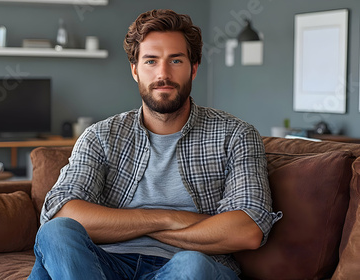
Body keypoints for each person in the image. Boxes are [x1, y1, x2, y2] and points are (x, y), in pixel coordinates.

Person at [29, 9, 280, 280]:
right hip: (105, 265)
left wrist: (128, 224)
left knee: (192, 265)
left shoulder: (236, 135)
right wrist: (166, 218)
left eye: (175, 60)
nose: (163, 73)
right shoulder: (101, 136)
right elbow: (62, 212)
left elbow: (248, 229)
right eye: (151, 61)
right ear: (135, 70)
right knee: (57, 233)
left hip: (189, 268)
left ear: (193, 68)